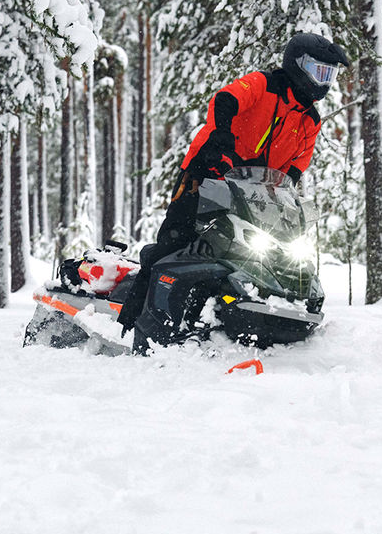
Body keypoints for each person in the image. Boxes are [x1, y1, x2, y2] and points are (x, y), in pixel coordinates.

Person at [117, 32, 350, 331]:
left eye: (329, 74)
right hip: (206, 172)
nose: (324, 81)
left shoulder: (310, 120)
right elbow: (225, 98)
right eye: (319, 71)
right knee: (174, 243)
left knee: (262, 255)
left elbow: (297, 165)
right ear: (298, 65)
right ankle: (135, 321)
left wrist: (288, 194)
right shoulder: (263, 84)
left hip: (250, 191)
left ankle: (253, 318)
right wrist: (222, 135)